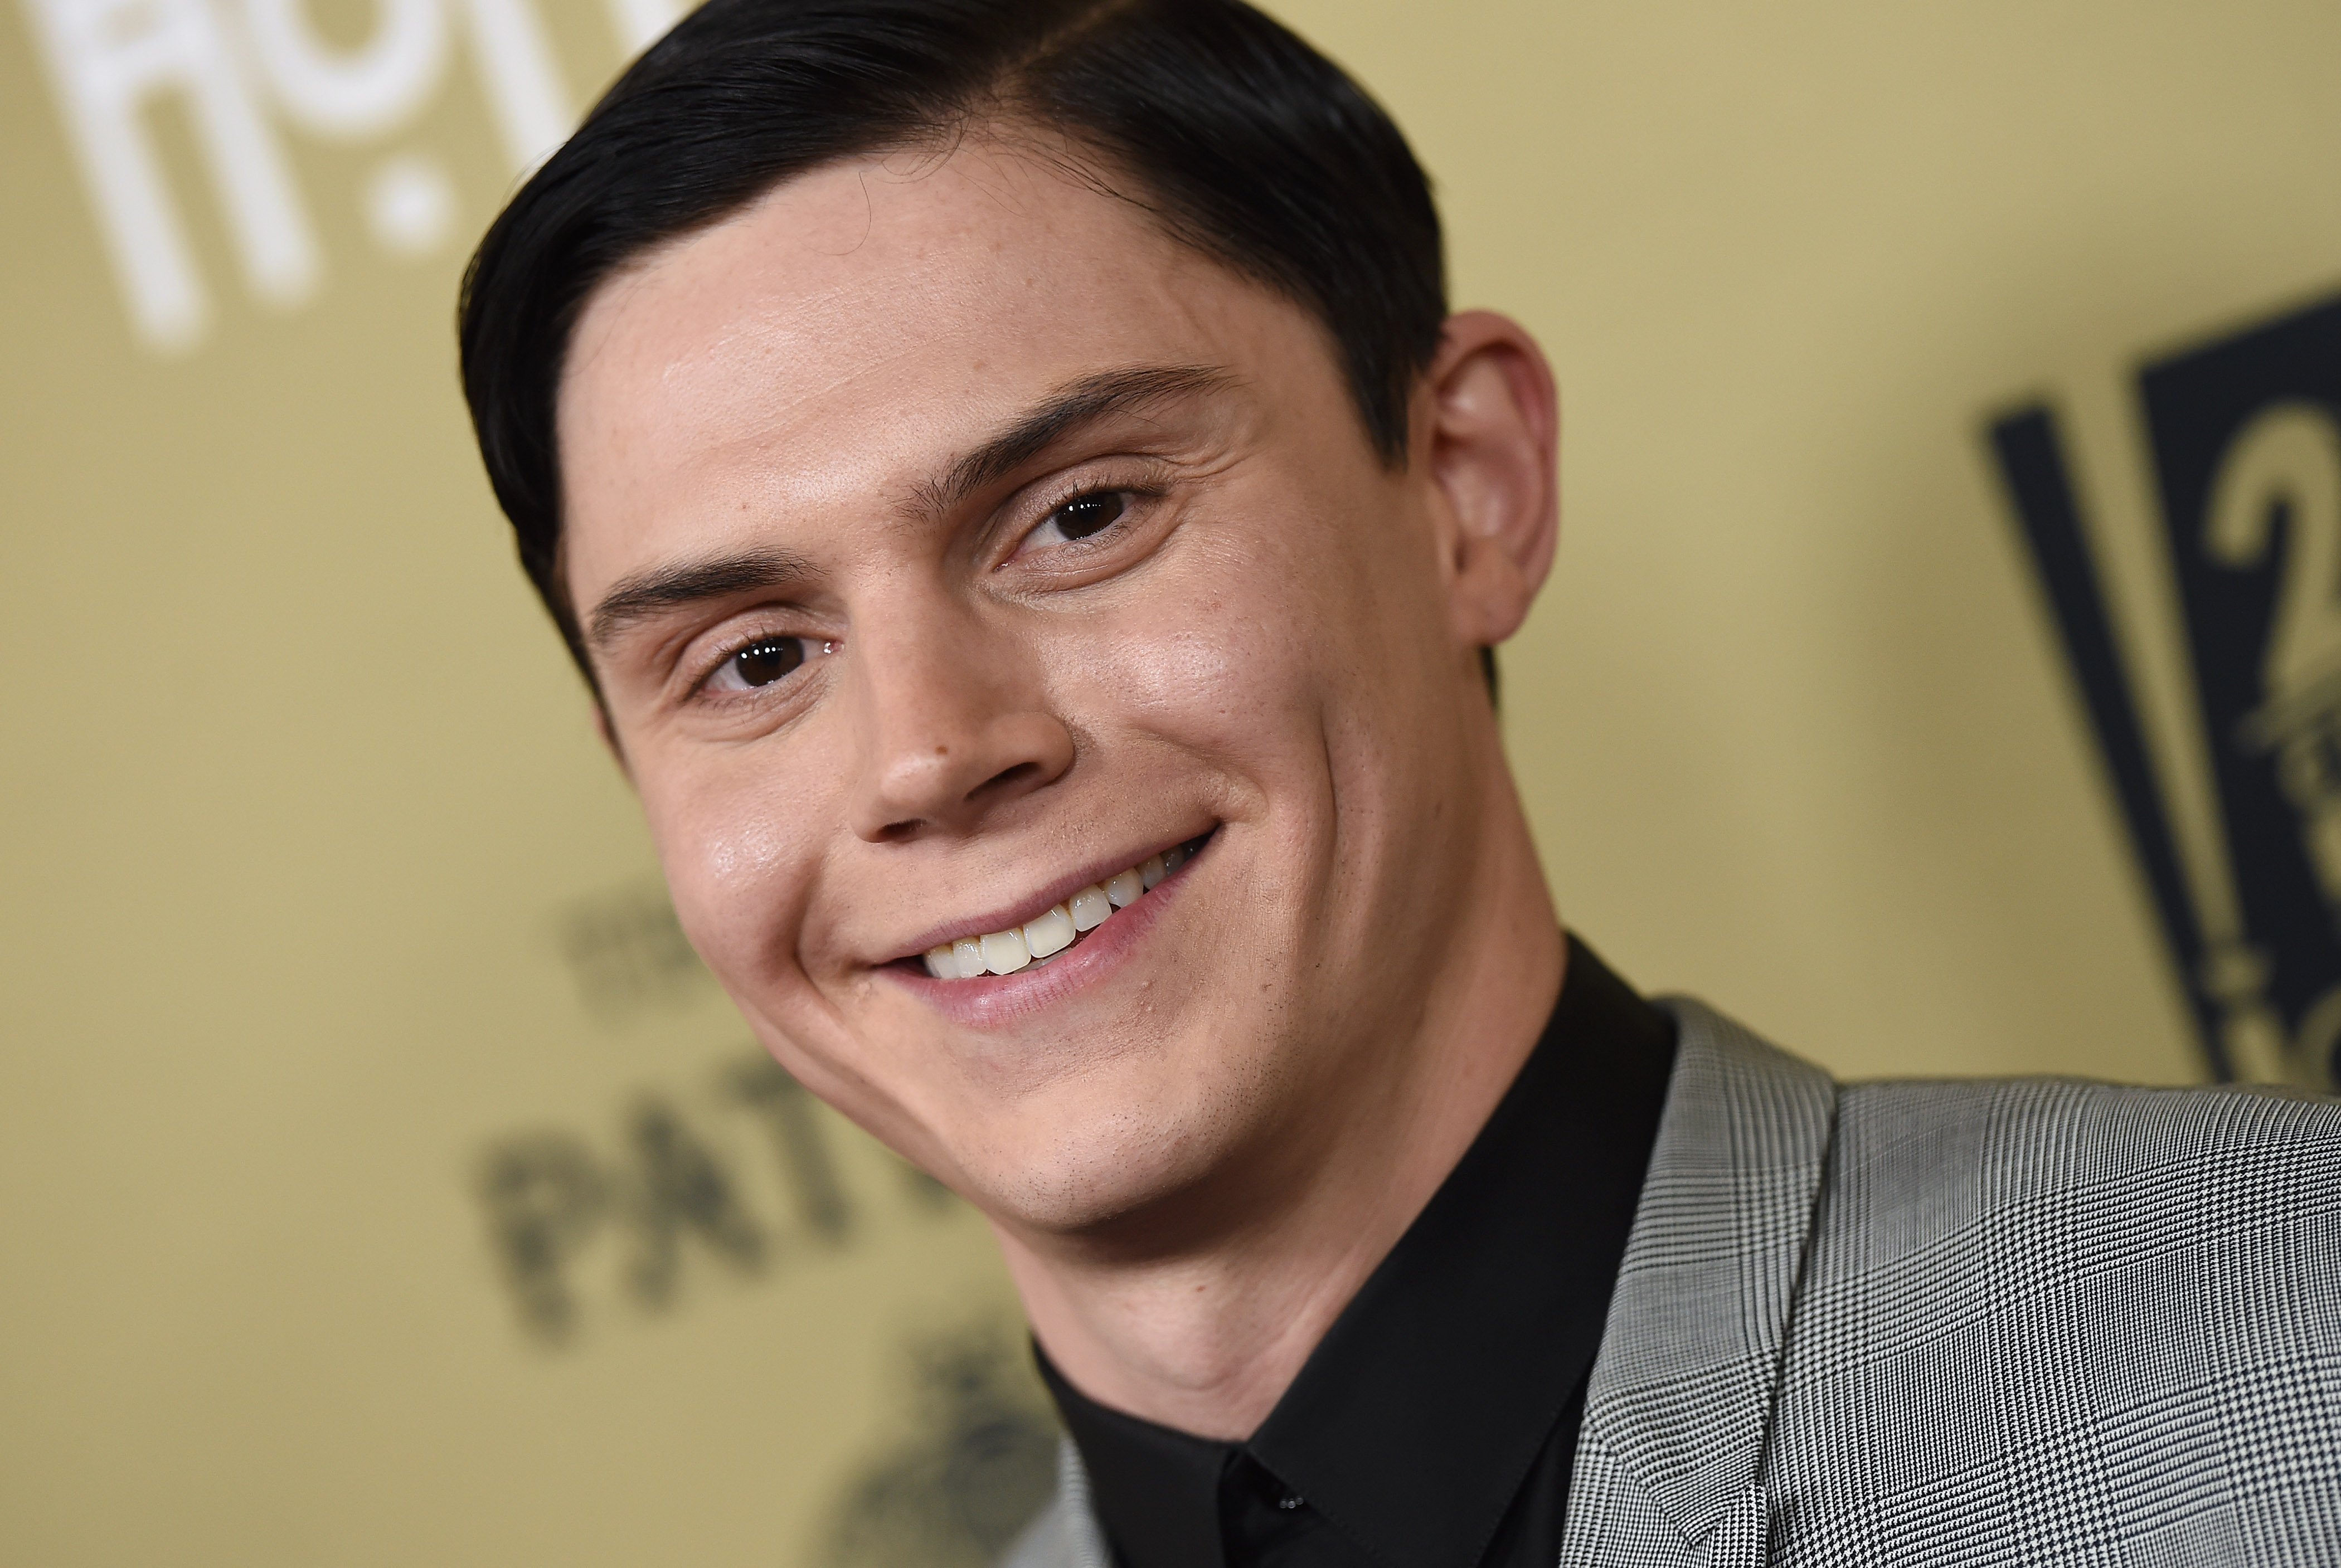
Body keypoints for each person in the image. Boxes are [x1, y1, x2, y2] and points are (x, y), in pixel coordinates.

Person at [456, 2, 2341, 1563]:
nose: (933, 751)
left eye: (1082, 515)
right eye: (755, 660)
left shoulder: (2283, 1365)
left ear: (1463, 488)